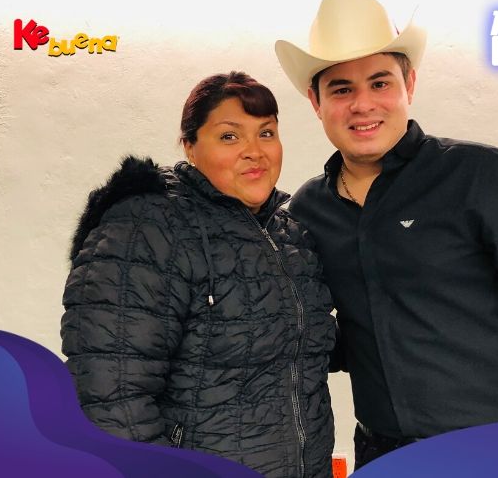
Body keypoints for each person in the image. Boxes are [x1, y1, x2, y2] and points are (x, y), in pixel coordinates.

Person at [275, 0, 498, 470]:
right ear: (315, 101)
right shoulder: (308, 210)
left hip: (496, 449)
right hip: (380, 452)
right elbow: (329, 334)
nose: (363, 104)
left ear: (409, 85)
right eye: (341, 89)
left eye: (380, 83)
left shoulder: (483, 177)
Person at [61, 71, 336, 478]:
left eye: (266, 133)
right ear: (190, 146)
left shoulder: (290, 233)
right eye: (229, 136)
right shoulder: (148, 227)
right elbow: (111, 396)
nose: (254, 152)